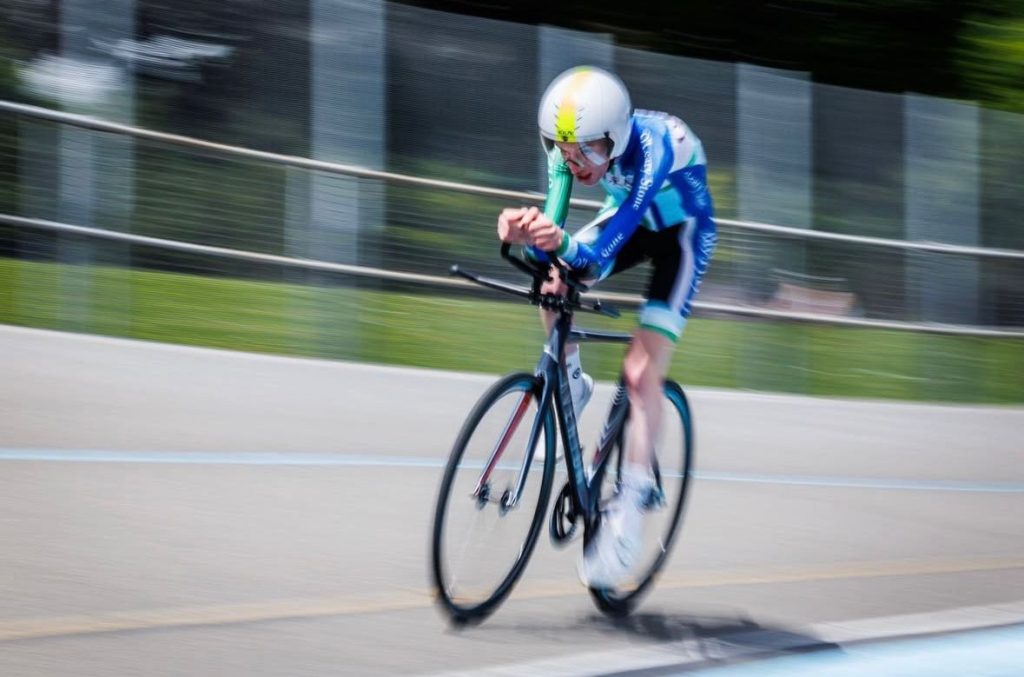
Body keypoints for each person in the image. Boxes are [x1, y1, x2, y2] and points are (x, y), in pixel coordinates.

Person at [496, 65, 717, 588]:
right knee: (551, 281)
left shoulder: (654, 148)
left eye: (588, 151)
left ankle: (632, 508)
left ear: (616, 137)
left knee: (641, 373)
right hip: (633, 223)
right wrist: (526, 233)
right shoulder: (569, 149)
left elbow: (599, 250)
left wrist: (559, 245)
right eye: (563, 151)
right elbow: (554, 226)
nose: (575, 162)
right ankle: (570, 379)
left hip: (681, 237)